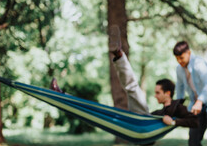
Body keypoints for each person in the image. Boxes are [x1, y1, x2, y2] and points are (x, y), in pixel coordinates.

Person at [50, 26, 198, 130]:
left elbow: (195, 121)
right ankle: (64, 96)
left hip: (144, 129)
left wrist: (173, 122)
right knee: (103, 112)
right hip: (142, 123)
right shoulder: (160, 111)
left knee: (133, 89)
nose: (155, 95)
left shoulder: (177, 107)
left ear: (168, 93)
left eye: (158, 92)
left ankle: (120, 55)